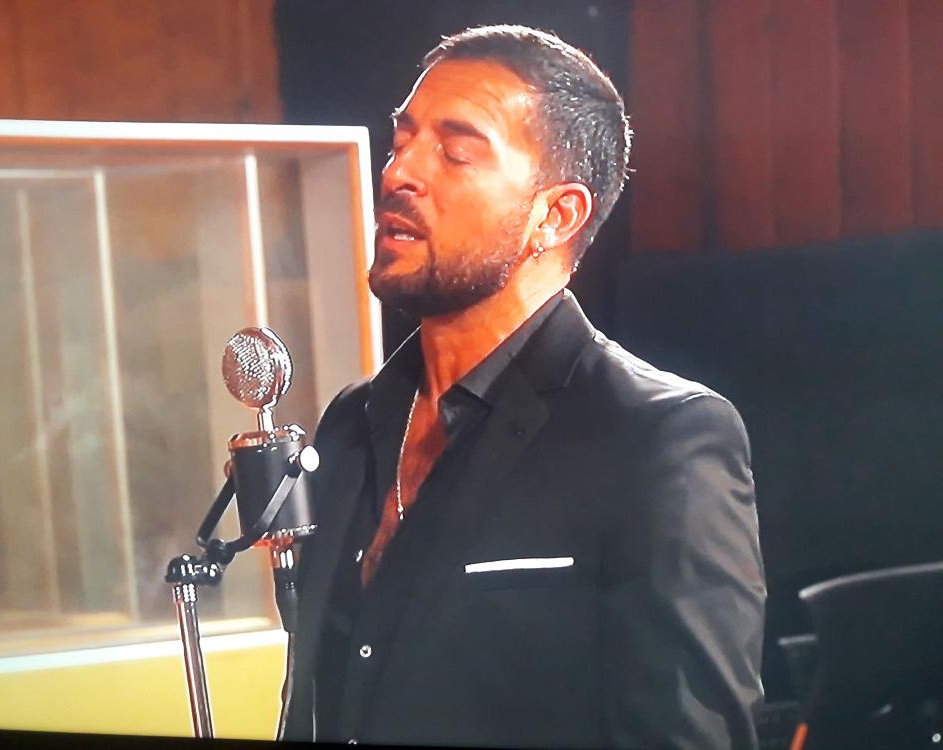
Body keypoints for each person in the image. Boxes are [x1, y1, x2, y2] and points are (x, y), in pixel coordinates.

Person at [280, 24, 766, 749]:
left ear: (555, 214)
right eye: (401, 141)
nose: (400, 173)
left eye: (455, 152)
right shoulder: (352, 422)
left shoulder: (658, 439)